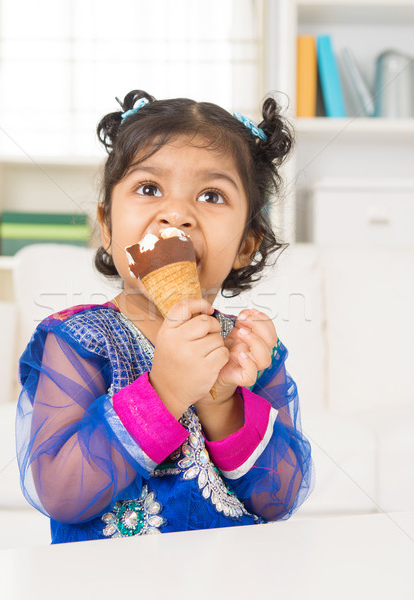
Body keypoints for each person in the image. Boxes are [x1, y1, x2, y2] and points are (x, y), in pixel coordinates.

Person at [16, 89, 313, 543]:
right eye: (149, 188)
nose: (177, 213)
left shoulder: (249, 352)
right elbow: (60, 492)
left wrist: (222, 403)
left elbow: (280, 498)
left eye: (212, 195)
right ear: (109, 227)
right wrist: (166, 391)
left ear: (246, 245)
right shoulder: (79, 340)